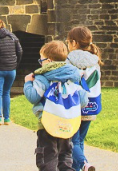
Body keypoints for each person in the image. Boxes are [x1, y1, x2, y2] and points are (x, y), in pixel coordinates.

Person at [24, 40, 88, 171]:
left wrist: (28, 83)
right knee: (65, 157)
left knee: (47, 157)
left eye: (41, 60)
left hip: (48, 123)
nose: (41, 63)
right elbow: (83, 101)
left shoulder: (43, 76)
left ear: (49, 60)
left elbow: (33, 97)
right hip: (67, 122)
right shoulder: (73, 76)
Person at [66, 26, 102, 171]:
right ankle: (79, 168)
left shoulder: (70, 60)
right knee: (80, 140)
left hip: (75, 103)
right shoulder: (95, 60)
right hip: (92, 103)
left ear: (74, 43)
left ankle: (84, 164)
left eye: (68, 42)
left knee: (72, 141)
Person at [0, 17, 23, 127]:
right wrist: (15, 64)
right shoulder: (13, 36)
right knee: (6, 93)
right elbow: (20, 51)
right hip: (11, 70)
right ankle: (7, 118)